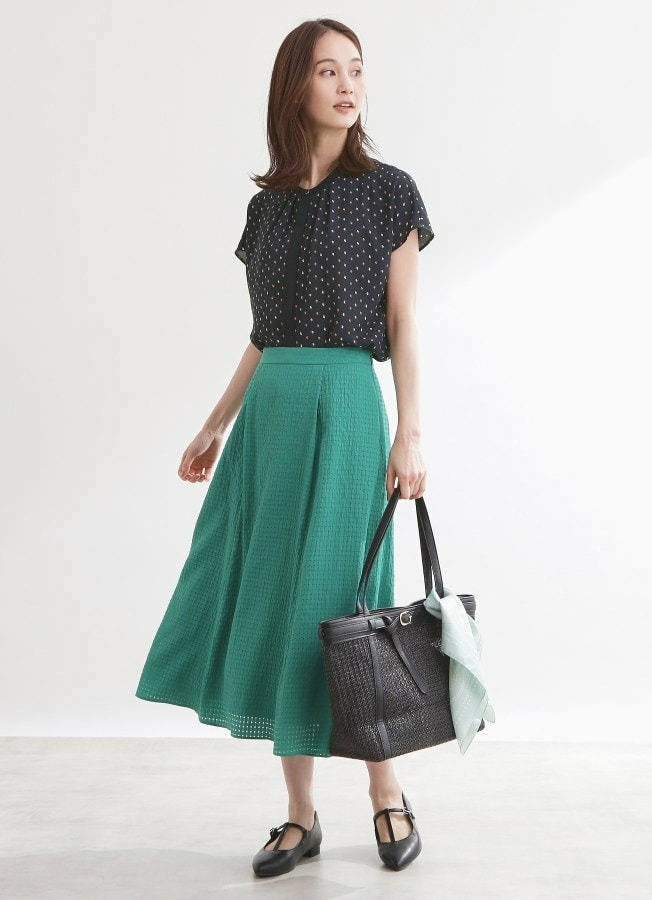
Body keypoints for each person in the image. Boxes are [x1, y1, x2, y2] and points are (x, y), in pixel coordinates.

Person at [135, 17, 435, 876]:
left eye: (356, 70)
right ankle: (300, 814)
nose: (348, 85)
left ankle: (386, 791)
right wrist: (214, 422)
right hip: (272, 413)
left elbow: (404, 323)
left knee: (344, 603)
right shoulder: (265, 207)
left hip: (348, 406)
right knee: (277, 601)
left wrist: (410, 431)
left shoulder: (389, 192)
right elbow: (265, 334)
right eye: (328, 71)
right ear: (294, 86)